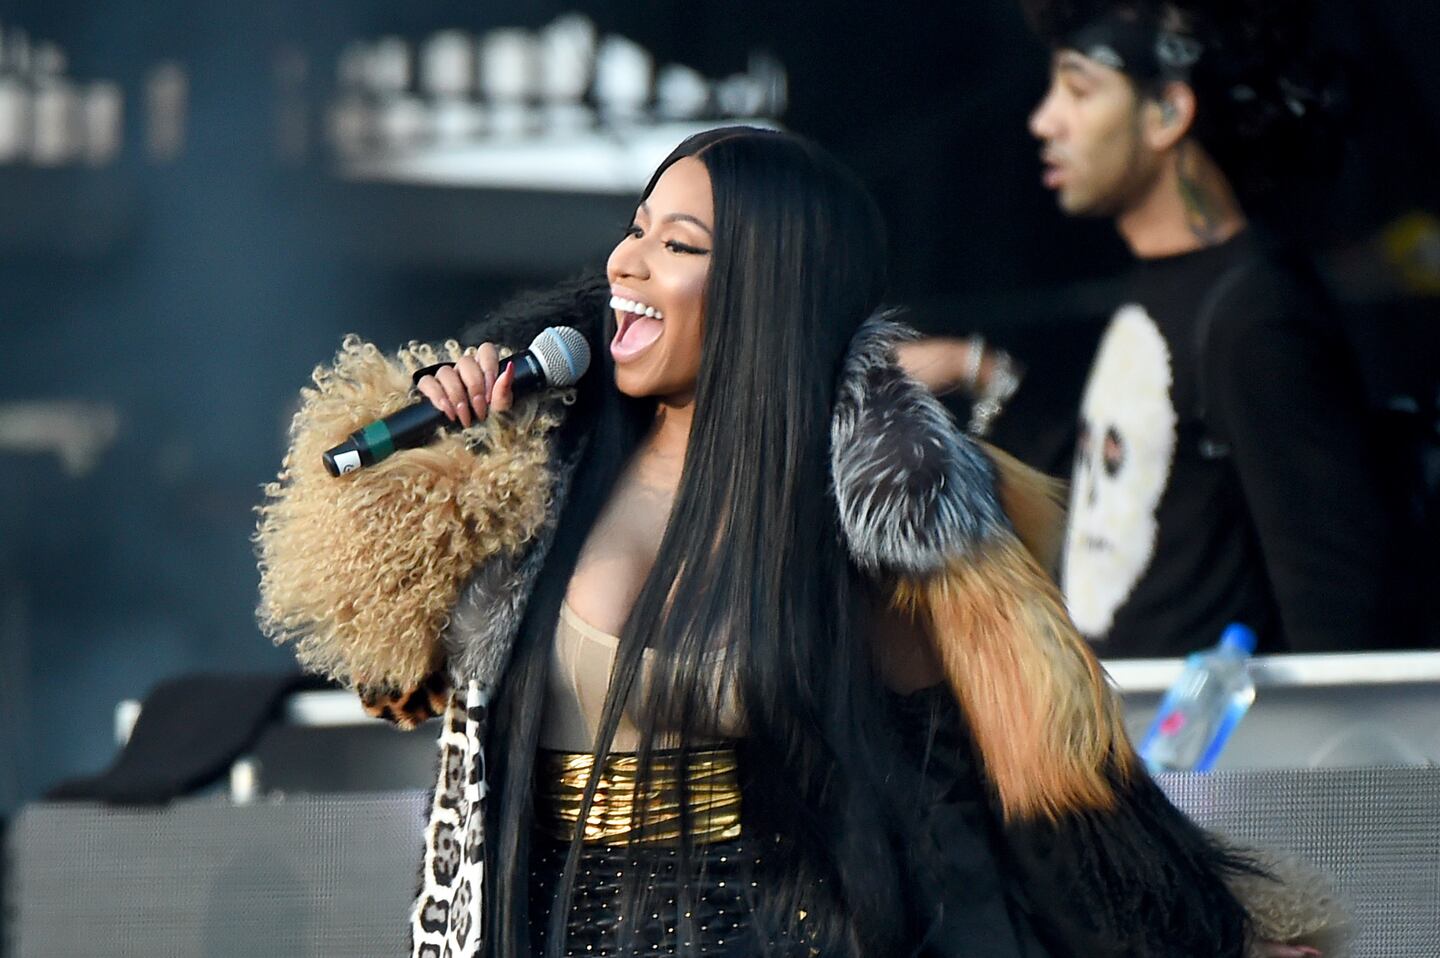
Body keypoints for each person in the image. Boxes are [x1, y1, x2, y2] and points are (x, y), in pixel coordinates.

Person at [256, 127, 1332, 957]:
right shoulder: (539, 454)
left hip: (770, 926)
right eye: (636, 228)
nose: (627, 262)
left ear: (767, 290)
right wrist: (441, 455)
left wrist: (1213, 935)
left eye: (679, 245)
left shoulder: (876, 508)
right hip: (535, 919)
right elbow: (386, 669)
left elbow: (1028, 775)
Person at [917, 0, 1406, 657]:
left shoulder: (1256, 314)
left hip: (1202, 730)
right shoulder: (1169, 289)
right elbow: (1127, 507)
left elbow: (1338, 617)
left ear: (1168, 113)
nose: (1044, 120)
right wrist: (975, 369)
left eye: (1079, 90)